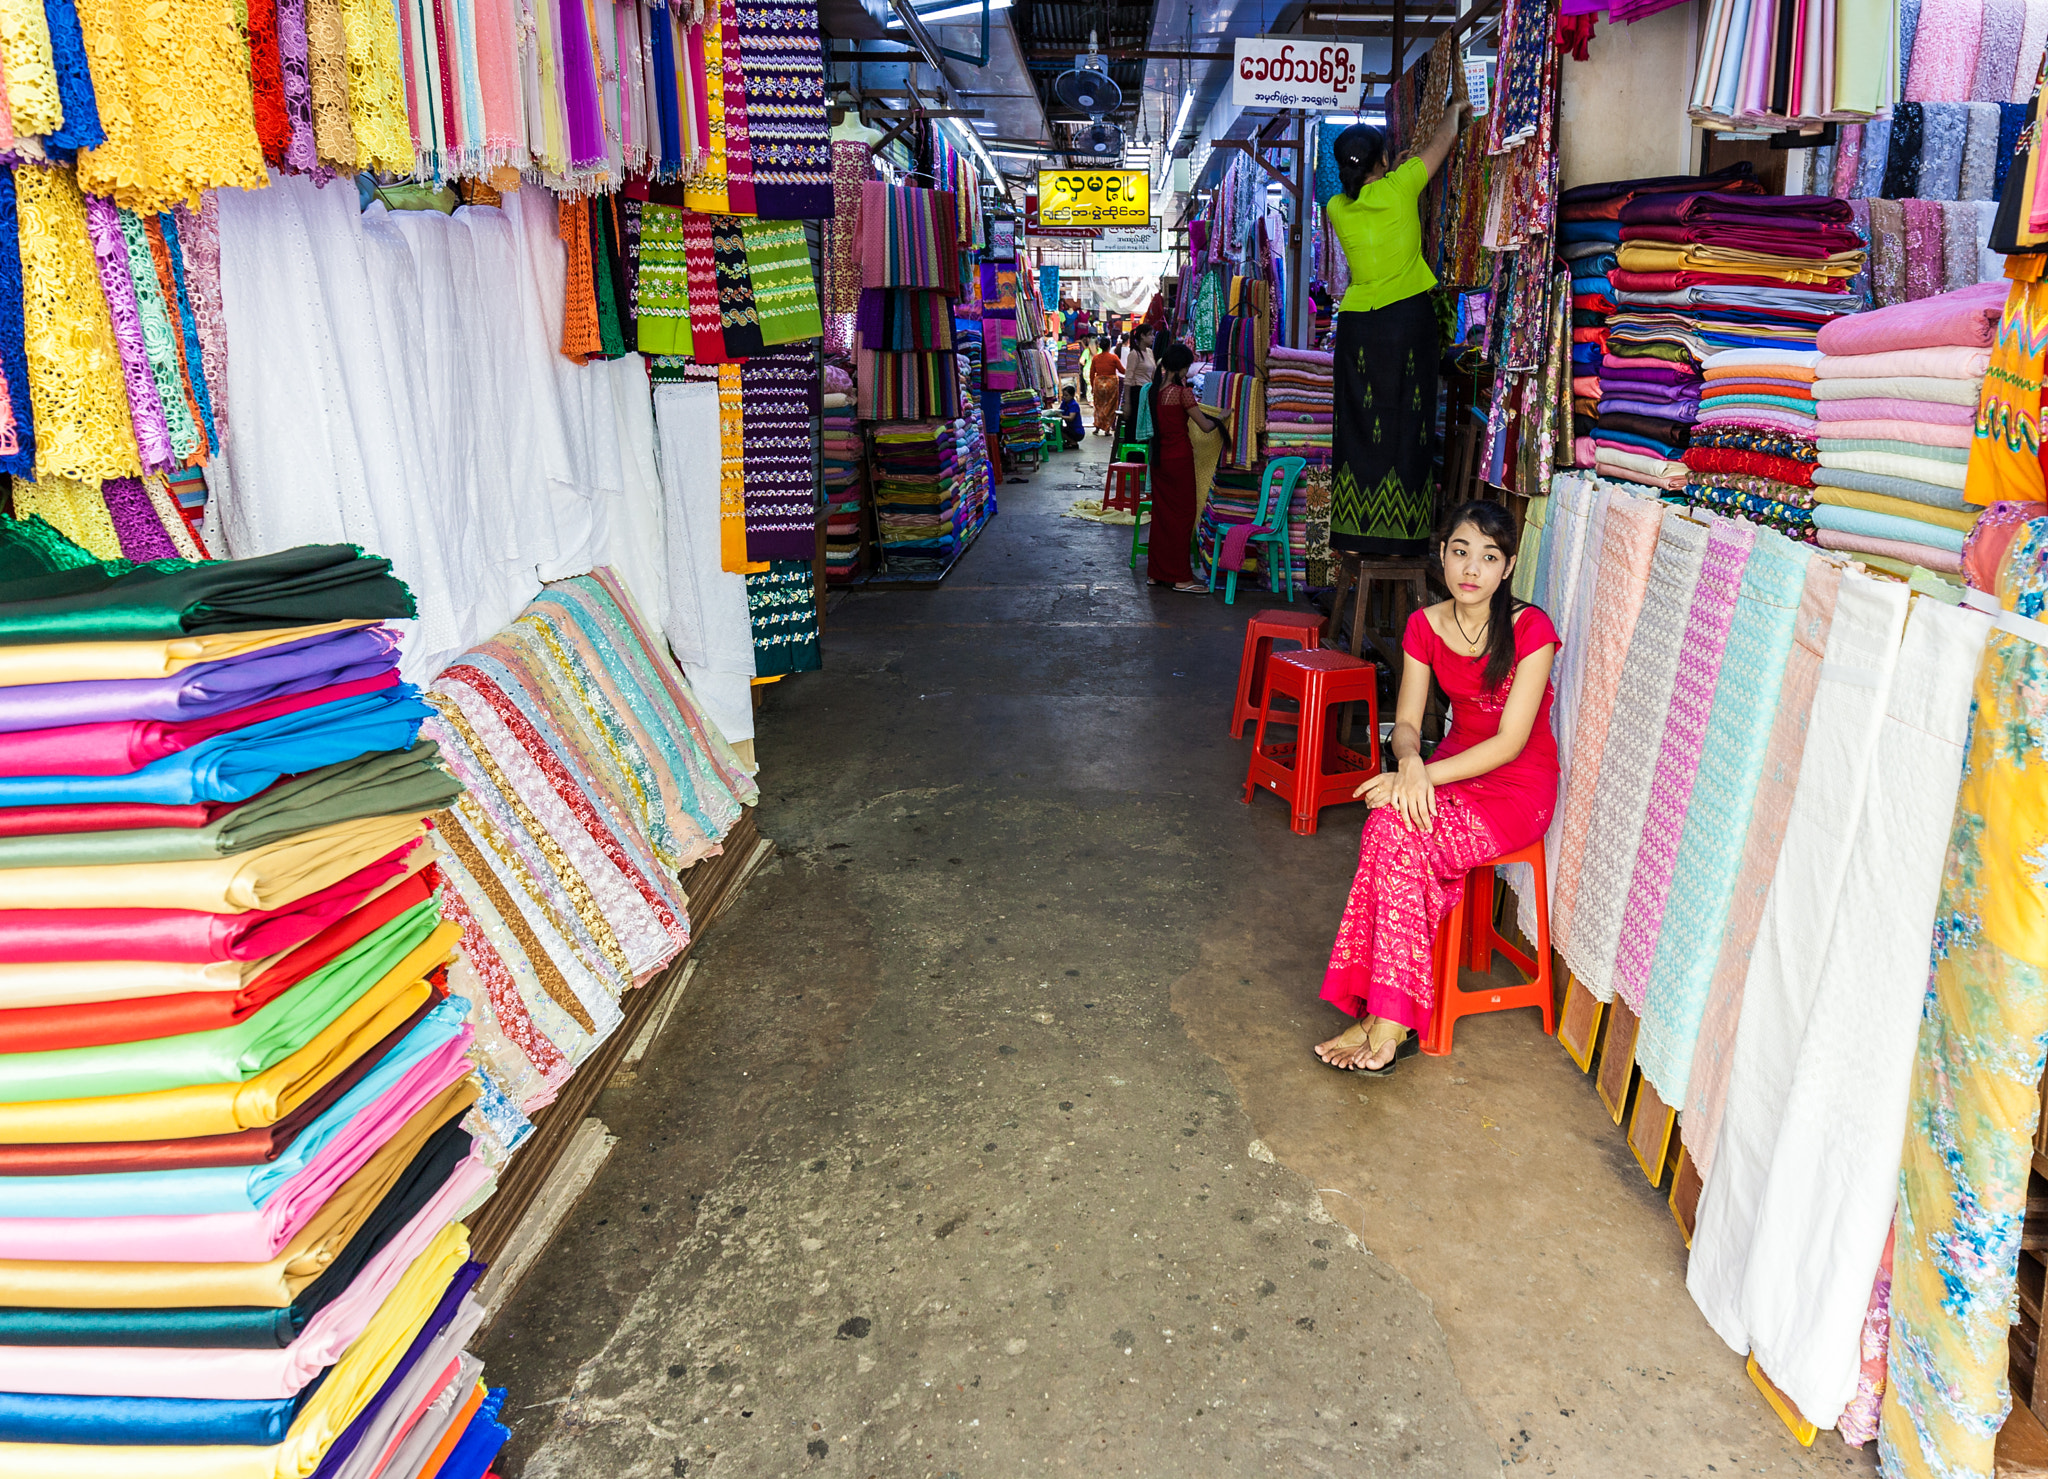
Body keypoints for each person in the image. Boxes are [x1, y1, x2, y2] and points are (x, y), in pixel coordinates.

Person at [1313, 501, 1559, 1074]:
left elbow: (1510, 743)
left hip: (1516, 787)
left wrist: (1417, 776)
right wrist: (1407, 760)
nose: (1472, 569)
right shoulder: (1425, 625)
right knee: (1385, 828)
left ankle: (1383, 1018)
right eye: (1460, 552)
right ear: (1443, 556)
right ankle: (1387, 1017)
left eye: (1489, 556)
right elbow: (1405, 725)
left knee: (1398, 834)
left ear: (1508, 567)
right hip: (1448, 767)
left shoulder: (1531, 629)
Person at [1326, 105, 1470, 556]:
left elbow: (1370, 182)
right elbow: (1441, 143)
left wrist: (1390, 164)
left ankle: (1354, 532)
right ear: (1383, 161)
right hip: (1407, 321)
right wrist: (1455, 111)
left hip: (1359, 327)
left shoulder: (1335, 207)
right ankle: (1402, 535)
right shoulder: (1403, 184)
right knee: (1410, 422)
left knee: (1357, 423)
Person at [1146, 341, 1225, 593]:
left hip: (1159, 460)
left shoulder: (1155, 391)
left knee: (1161, 517)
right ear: (1181, 368)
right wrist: (1221, 416)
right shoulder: (1183, 394)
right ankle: (1181, 578)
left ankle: (1156, 574)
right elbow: (1205, 426)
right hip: (1179, 461)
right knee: (1182, 518)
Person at [1120, 325, 1157, 444]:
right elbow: (1128, 379)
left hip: (1147, 393)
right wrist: (1127, 403)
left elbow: (1152, 374)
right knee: (1134, 424)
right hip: (1137, 393)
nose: (1153, 337)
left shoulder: (1150, 352)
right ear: (1142, 336)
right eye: (1150, 334)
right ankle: (1133, 457)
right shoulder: (1134, 354)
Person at [1089, 337, 1124, 436]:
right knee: (1110, 406)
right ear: (1109, 346)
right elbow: (1122, 371)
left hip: (1099, 384)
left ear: (1100, 346)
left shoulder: (1096, 358)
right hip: (1111, 385)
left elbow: (1092, 374)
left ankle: (1097, 427)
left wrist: (1093, 386)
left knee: (1098, 406)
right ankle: (1107, 429)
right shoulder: (1114, 357)